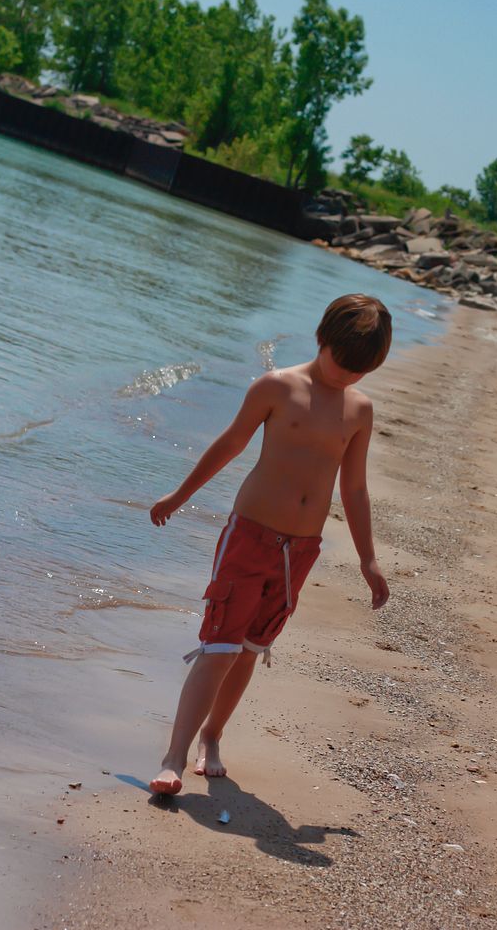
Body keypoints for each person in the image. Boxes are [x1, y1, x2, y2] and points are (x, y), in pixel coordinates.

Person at [149, 294, 392, 795]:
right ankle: (174, 754)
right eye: (342, 363)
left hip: (299, 550)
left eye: (360, 371)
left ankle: (212, 739)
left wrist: (368, 558)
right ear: (322, 338)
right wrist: (180, 494)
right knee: (218, 647)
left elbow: (355, 488)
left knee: (250, 650)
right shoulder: (277, 387)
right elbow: (231, 443)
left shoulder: (359, 410)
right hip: (250, 536)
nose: (347, 376)